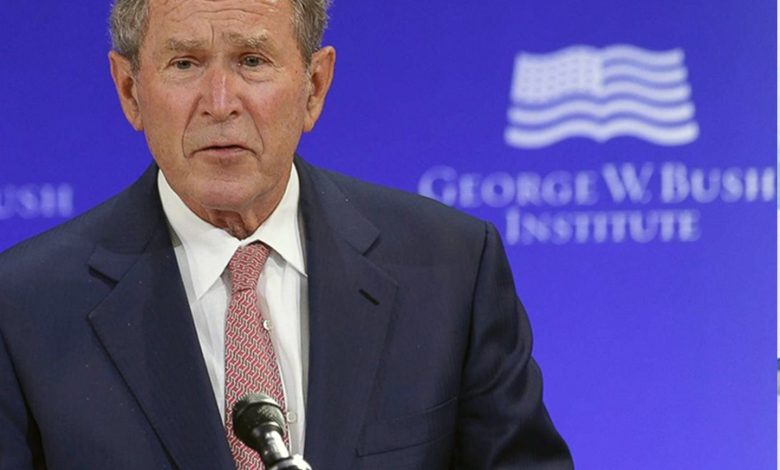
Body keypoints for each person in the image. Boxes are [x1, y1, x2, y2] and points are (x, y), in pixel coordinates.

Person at [0, 0, 572, 468]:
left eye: (252, 60)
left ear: (314, 86)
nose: (219, 103)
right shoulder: (23, 307)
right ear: (130, 90)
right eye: (185, 64)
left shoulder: (451, 269)